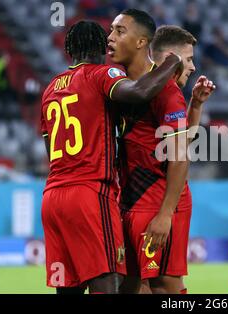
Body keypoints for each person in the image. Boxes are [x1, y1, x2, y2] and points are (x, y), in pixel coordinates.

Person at [40, 20, 182, 294]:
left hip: (53, 197)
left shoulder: (51, 89)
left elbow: (50, 149)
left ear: (70, 48)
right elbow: (140, 92)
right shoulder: (102, 74)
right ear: (100, 46)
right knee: (106, 283)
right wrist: (170, 64)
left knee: (68, 287)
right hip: (90, 193)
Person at [107, 10, 215, 294]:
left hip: (153, 200)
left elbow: (180, 154)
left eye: (119, 31)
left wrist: (165, 214)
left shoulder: (165, 91)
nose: (111, 38)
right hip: (129, 197)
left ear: (142, 42)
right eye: (112, 31)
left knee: (158, 284)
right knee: (133, 283)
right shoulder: (123, 86)